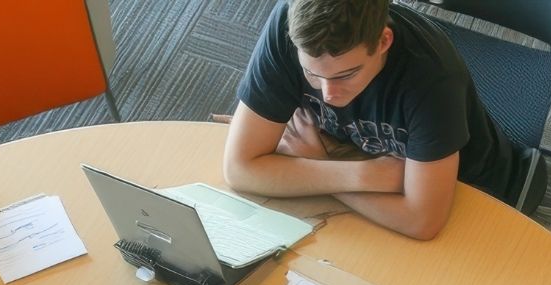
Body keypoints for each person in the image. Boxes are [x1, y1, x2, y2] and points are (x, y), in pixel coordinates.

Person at [223, 0, 533, 240]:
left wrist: (316, 166)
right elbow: (239, 170)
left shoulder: (432, 77)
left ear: (384, 42)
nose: (328, 93)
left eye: (347, 74)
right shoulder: (290, 27)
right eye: (312, 73)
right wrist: (361, 175)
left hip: (471, 194)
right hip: (365, 171)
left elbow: (422, 221)